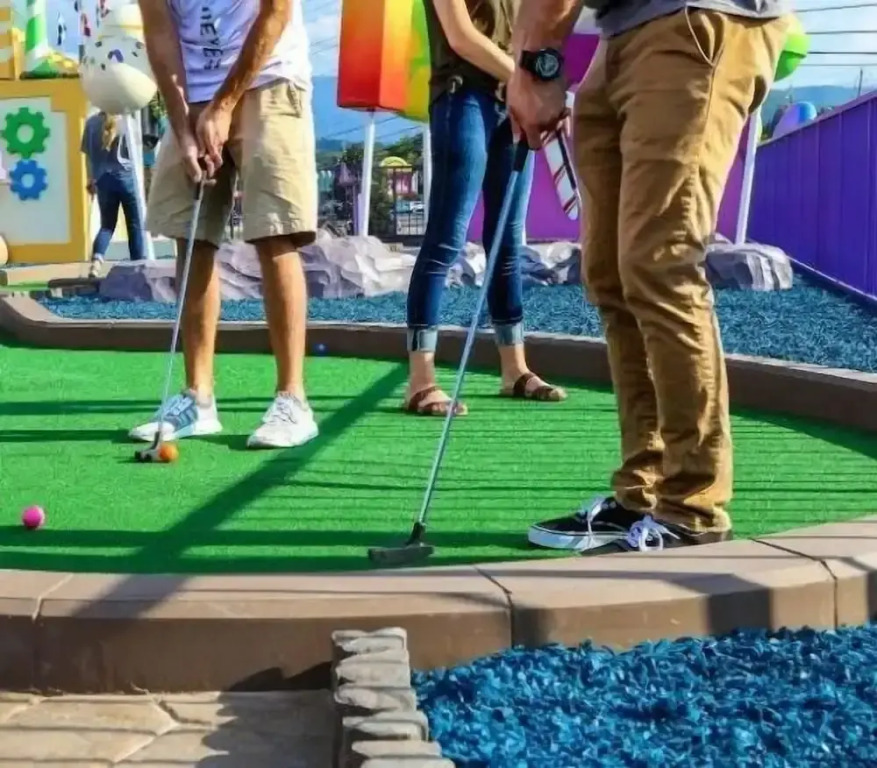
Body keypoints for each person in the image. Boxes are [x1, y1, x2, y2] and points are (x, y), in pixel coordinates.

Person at [507, 1, 789, 552]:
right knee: (610, 273)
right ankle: (644, 489)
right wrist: (530, 63)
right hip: (621, 30)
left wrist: (537, 64)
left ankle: (691, 507)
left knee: (660, 263)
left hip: (695, 18)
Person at [131, 0, 318, 449]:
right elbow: (159, 33)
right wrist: (182, 126)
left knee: (274, 232)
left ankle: (293, 399)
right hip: (192, 93)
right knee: (190, 235)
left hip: (270, 76)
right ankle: (197, 399)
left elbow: (276, 12)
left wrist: (225, 103)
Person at [404, 0, 567, 417]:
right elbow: (460, 35)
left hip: (511, 102)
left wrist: (539, 84)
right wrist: (523, 81)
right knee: (446, 238)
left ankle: (515, 370)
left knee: (507, 242)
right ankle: (420, 380)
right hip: (462, 96)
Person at [81, 111, 145, 278]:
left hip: (103, 179)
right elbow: (138, 152)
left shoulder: (91, 123)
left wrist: (91, 178)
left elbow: (88, 156)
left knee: (107, 225)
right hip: (127, 177)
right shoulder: (128, 122)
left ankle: (96, 262)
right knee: (135, 225)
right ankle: (138, 265)